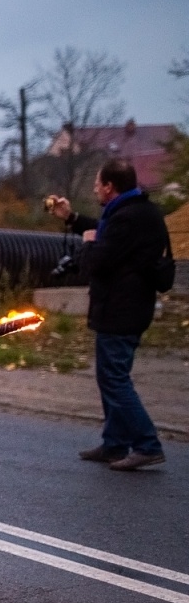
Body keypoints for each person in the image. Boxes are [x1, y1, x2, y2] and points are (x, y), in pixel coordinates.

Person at [46, 158, 172, 471]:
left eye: (97, 184)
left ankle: (147, 444)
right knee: (110, 377)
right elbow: (107, 235)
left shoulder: (128, 218)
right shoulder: (137, 211)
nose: (94, 188)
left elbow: (99, 260)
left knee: (115, 379)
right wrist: (72, 218)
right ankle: (115, 444)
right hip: (127, 308)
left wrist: (88, 245)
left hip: (121, 310)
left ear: (109, 187)